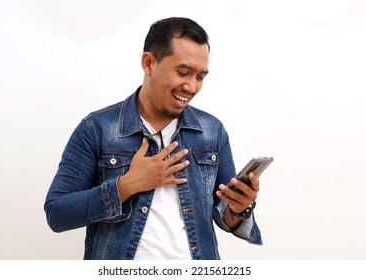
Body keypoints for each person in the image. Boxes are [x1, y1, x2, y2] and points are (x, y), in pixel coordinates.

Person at [44, 17, 262, 260]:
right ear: (148, 63)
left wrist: (239, 208)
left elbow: (225, 215)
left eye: (200, 77)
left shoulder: (212, 131)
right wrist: (126, 185)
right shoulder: (97, 129)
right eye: (183, 72)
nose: (191, 87)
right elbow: (57, 213)